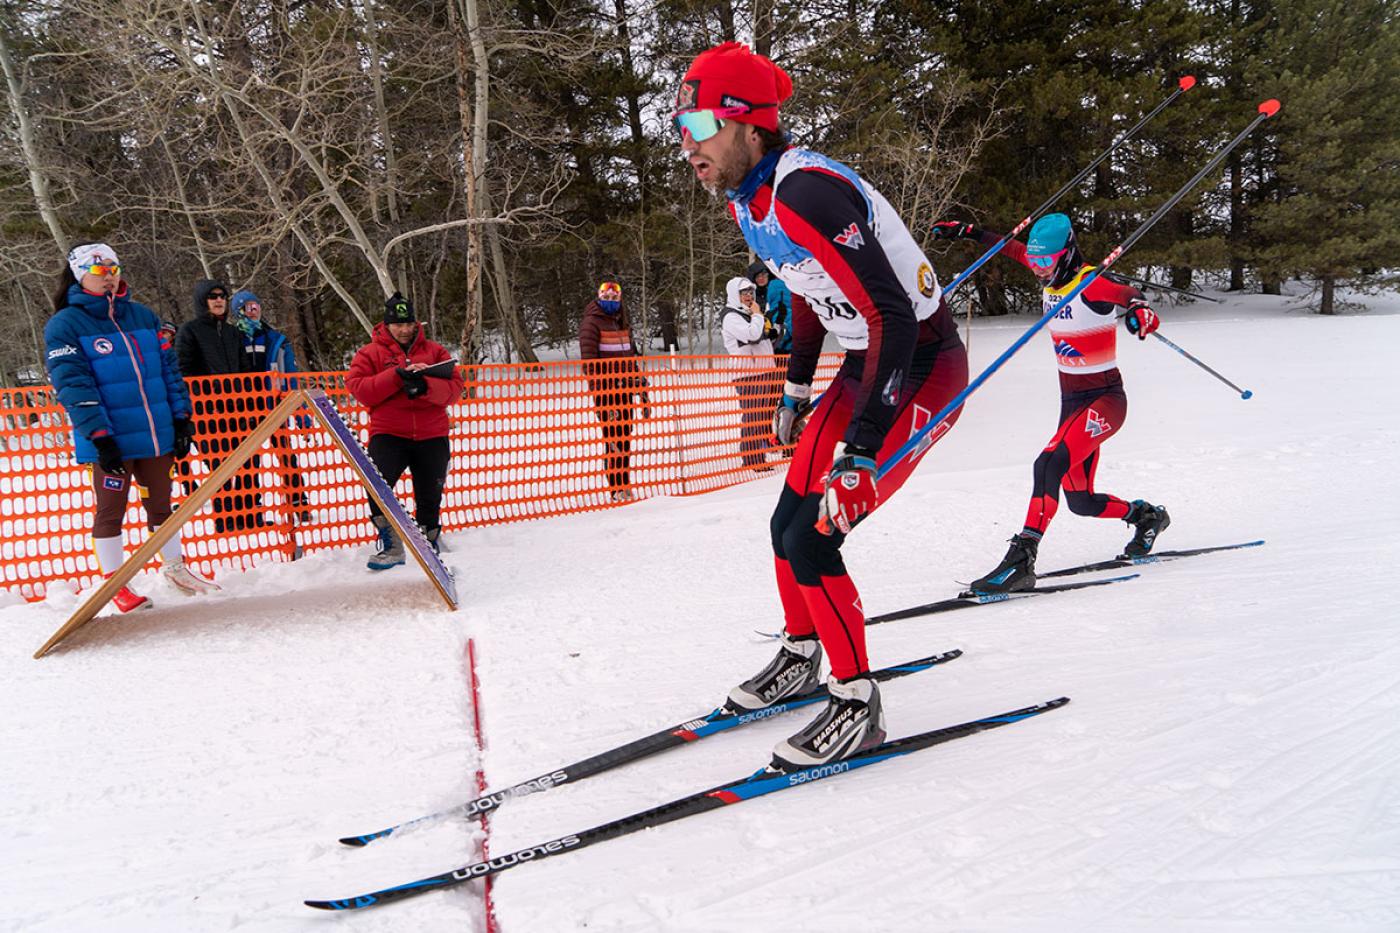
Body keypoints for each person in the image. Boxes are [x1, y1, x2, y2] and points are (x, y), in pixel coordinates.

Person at [674, 42, 969, 770]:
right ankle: (802, 653)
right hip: (866, 361)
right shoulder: (749, 200)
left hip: (920, 366)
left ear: (750, 124)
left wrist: (862, 447)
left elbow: (895, 316)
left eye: (702, 125)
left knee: (815, 536)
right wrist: (797, 387)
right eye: (679, 128)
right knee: (785, 524)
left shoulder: (806, 192)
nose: (688, 146)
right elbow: (808, 291)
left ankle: (857, 700)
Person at [932, 213, 1170, 594]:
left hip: (1106, 400)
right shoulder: (1047, 270)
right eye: (1035, 260)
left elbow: (1124, 293)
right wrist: (970, 232)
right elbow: (1009, 248)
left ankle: (1022, 559)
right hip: (1071, 403)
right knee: (1081, 501)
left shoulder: (1088, 283)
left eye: (1046, 260)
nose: (1038, 268)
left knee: (1047, 464)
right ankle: (1146, 517)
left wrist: (1140, 308)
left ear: (1067, 253)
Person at [44, 243, 217, 609]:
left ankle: (175, 568)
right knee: (111, 510)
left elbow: (169, 371)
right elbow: (74, 386)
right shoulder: (65, 324)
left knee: (161, 505)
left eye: (114, 268)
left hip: (154, 433)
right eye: (99, 270)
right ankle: (115, 584)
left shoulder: (142, 316)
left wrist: (181, 418)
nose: (109, 276)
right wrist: (100, 437)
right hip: (110, 438)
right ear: (80, 275)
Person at [346, 292, 464, 568]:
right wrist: (395, 377)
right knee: (377, 487)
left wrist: (425, 386)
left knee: (430, 493)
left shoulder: (435, 351)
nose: (404, 330)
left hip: (432, 433)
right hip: (388, 433)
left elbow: (455, 389)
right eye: (398, 324)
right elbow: (359, 389)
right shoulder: (369, 353)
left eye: (409, 323)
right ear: (387, 325)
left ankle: (429, 544)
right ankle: (392, 545)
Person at [175, 279, 264, 533]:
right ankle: (226, 519)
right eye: (213, 296)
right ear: (202, 301)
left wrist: (253, 404)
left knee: (248, 462)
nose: (218, 300)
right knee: (219, 466)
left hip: (238, 409)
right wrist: (200, 402)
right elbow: (183, 371)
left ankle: (250, 515)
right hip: (208, 412)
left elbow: (245, 370)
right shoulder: (190, 331)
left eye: (222, 296)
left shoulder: (233, 332)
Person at [231, 289, 309, 519]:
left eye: (257, 307)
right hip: (245, 408)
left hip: (274, 405)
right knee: (248, 459)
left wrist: (301, 413)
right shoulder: (233, 339)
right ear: (239, 312)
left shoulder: (274, 339)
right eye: (248, 308)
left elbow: (291, 376)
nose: (254, 312)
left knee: (285, 454)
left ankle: (298, 502)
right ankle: (249, 508)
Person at [578, 281, 651, 502]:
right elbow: (590, 364)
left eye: (615, 298)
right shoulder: (591, 323)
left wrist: (641, 387)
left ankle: (625, 484)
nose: (611, 302)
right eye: (607, 298)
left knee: (625, 438)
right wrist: (601, 396)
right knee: (613, 440)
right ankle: (615, 488)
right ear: (600, 298)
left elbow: (630, 359)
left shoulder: (621, 322)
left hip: (625, 390)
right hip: (607, 392)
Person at [720, 275, 778, 470]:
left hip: (763, 369)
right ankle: (752, 459)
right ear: (734, 295)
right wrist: (758, 316)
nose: (748, 296)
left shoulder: (749, 313)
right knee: (753, 416)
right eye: (743, 293)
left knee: (761, 416)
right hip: (747, 373)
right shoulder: (731, 316)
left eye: (750, 292)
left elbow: (761, 335)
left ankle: (758, 456)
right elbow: (752, 335)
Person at [747, 260, 792, 354]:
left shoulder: (777, 291)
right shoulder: (750, 297)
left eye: (764, 275)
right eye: (757, 276)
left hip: (779, 341)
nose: (761, 278)